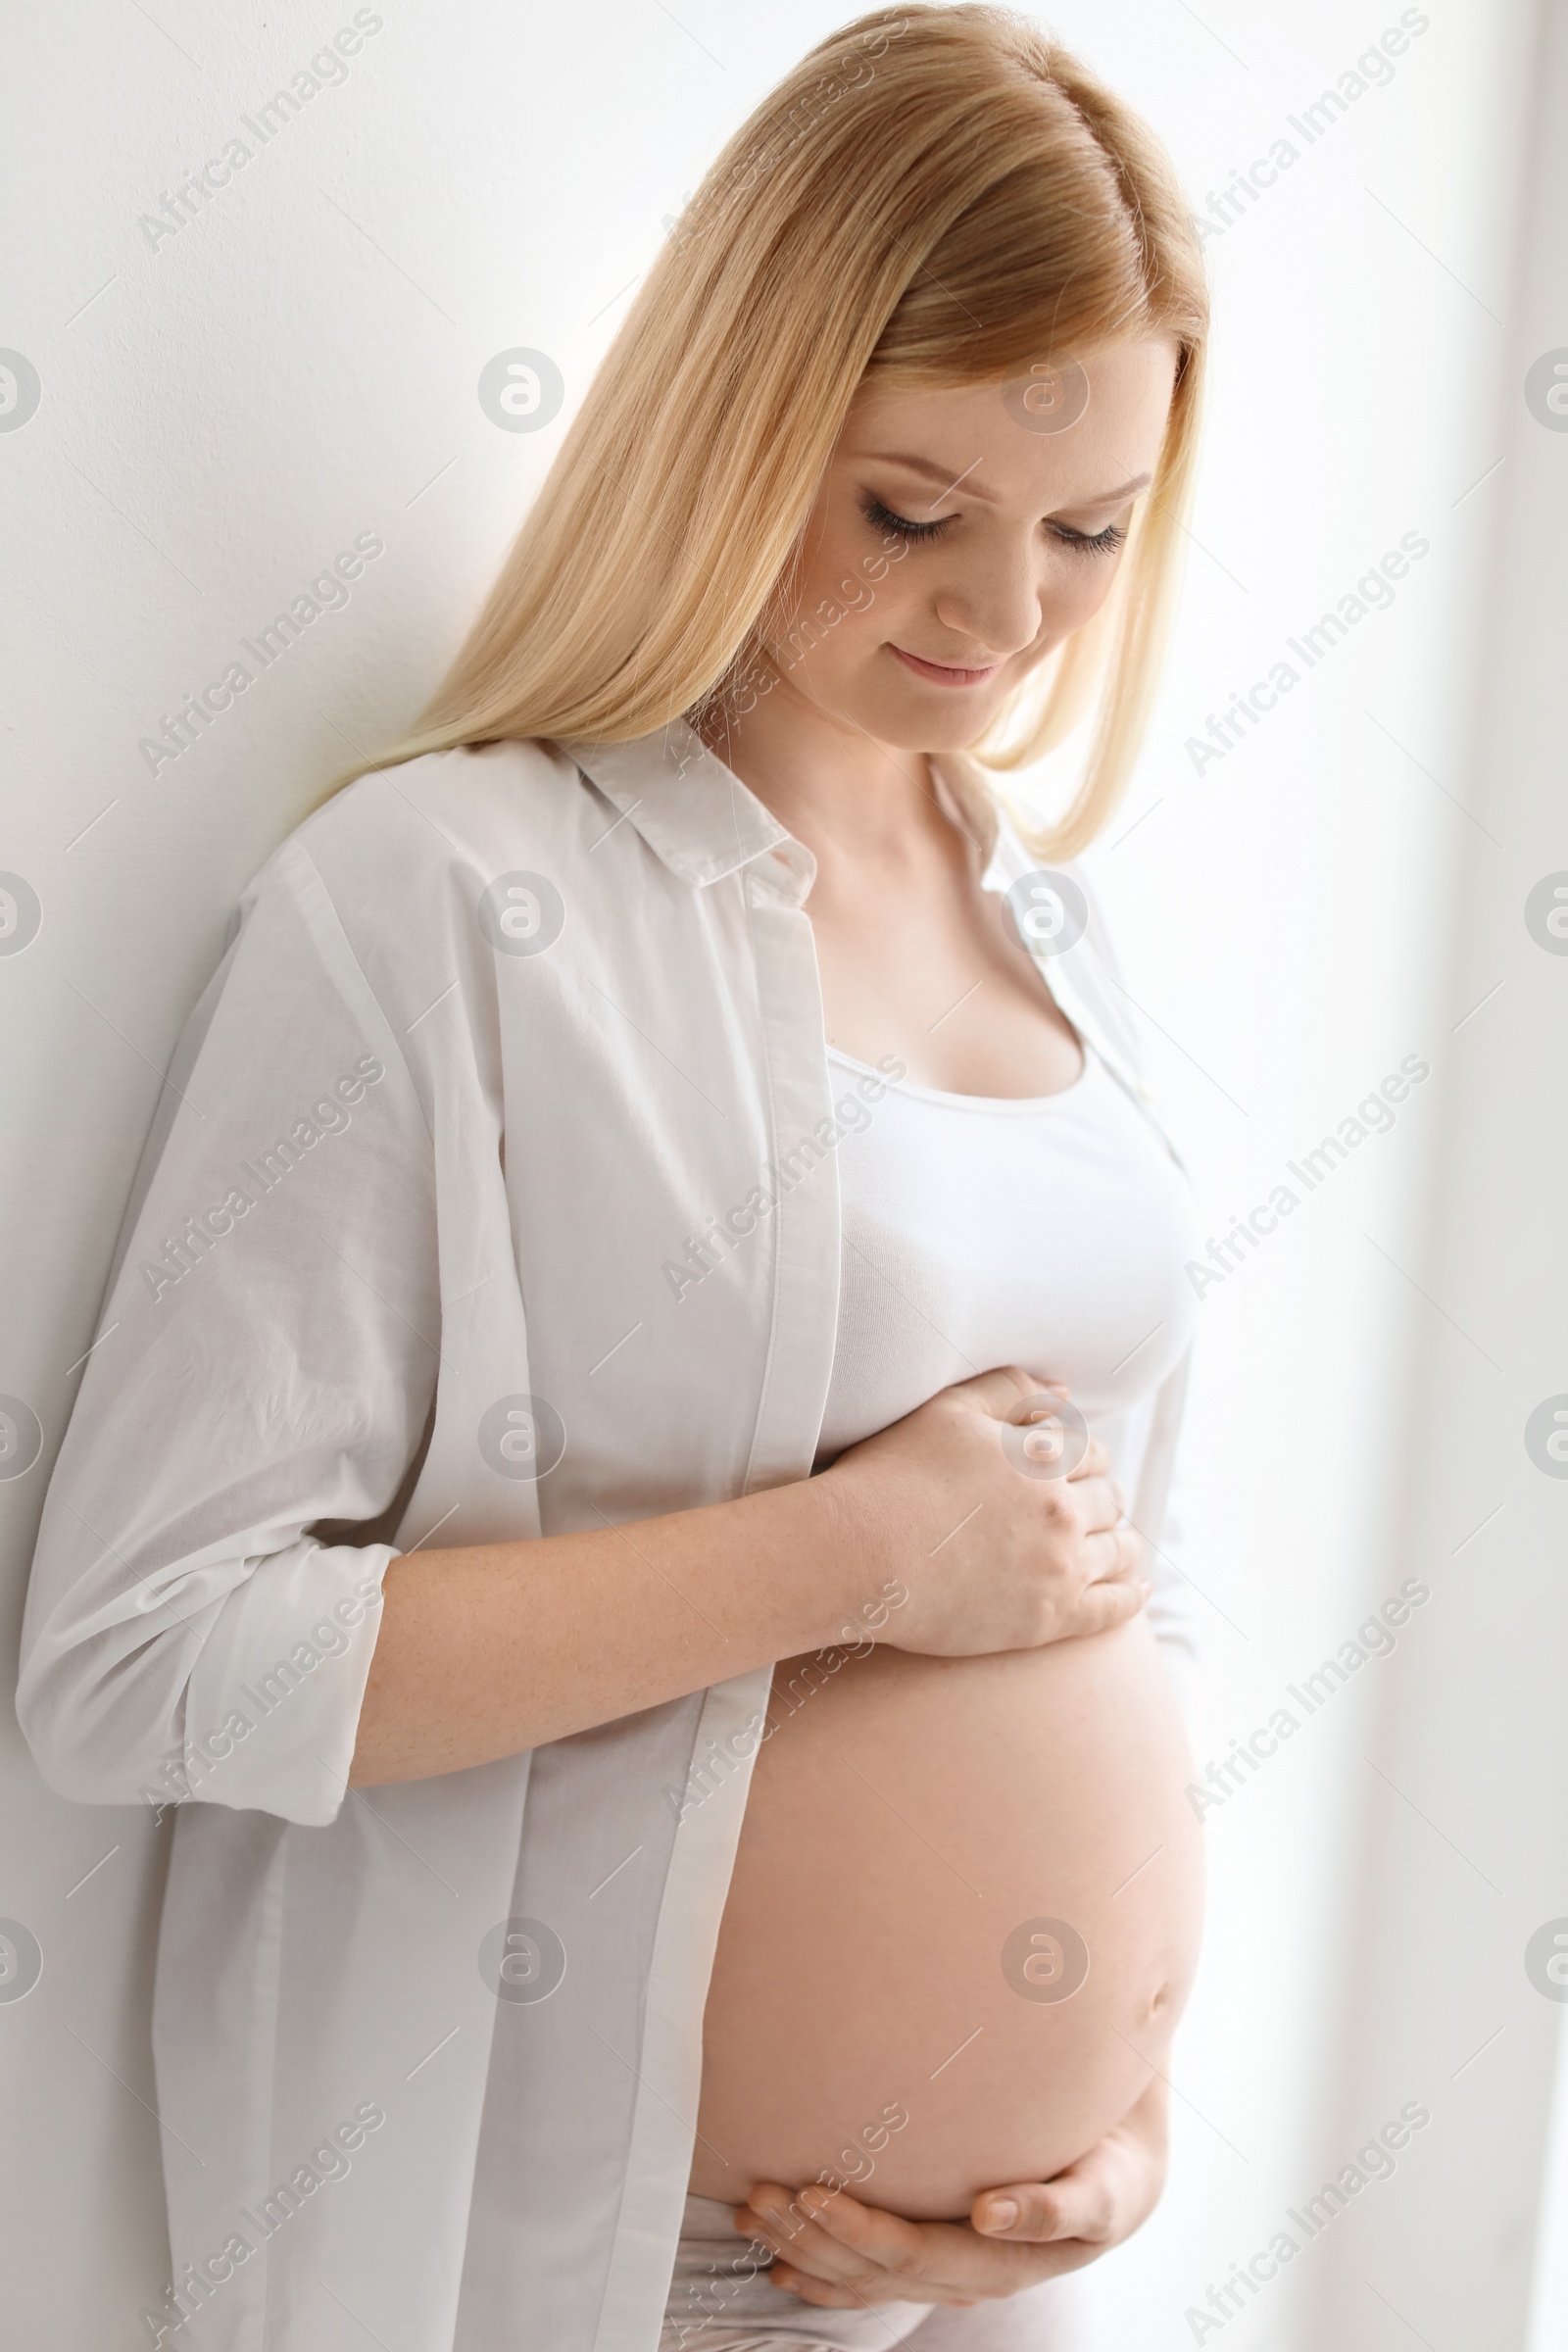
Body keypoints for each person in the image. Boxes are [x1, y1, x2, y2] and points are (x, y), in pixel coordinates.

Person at [18, 8, 1211, 2347]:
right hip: (568, 2263)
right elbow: (138, 1662)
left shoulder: (1068, 953)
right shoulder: (443, 904)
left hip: (980, 2305)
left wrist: (1128, 2116)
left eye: (1086, 531)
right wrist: (851, 1556)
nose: (999, 622)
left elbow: (1131, 1604)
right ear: (742, 413)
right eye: (907, 508)